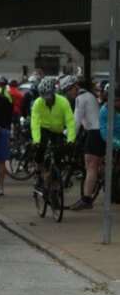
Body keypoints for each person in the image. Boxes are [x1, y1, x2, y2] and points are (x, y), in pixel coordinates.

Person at [31, 76, 76, 191]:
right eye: (43, 96)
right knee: (40, 147)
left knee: (59, 154)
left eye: (48, 96)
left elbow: (70, 122)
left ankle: (55, 181)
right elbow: (35, 123)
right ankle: (38, 171)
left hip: (57, 130)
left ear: (53, 93)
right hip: (44, 129)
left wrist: (71, 139)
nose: (46, 99)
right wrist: (36, 140)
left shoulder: (63, 102)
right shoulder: (38, 102)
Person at [65, 75, 103, 210]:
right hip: (95, 132)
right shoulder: (88, 96)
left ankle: (86, 199)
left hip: (94, 132)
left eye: (69, 90)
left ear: (75, 86)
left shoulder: (81, 98)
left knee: (91, 165)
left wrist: (68, 137)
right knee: (93, 165)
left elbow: (76, 121)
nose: (68, 93)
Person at [99, 85, 120, 150]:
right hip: (115, 148)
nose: (119, 102)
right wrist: (118, 143)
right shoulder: (104, 111)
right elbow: (105, 134)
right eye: (116, 100)